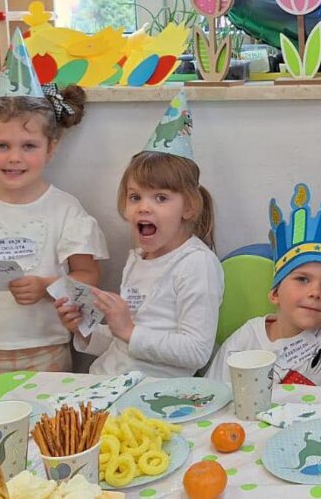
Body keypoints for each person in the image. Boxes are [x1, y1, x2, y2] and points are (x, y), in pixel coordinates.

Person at [0, 30, 104, 381]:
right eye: (2, 146)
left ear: (51, 148)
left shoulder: (66, 211)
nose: (15, 158)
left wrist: (47, 285)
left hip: (48, 348)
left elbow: (89, 276)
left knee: (48, 417)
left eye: (28, 146)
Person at [58, 93, 224, 378]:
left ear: (188, 207)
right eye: (135, 197)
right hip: (109, 380)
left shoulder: (197, 264)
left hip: (154, 392)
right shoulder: (138, 258)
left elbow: (197, 352)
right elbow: (124, 343)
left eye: (161, 198)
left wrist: (129, 330)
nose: (143, 207)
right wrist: (84, 329)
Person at [208, 183, 321, 388]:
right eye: (302, 279)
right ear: (275, 293)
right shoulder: (246, 338)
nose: (315, 292)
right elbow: (213, 392)